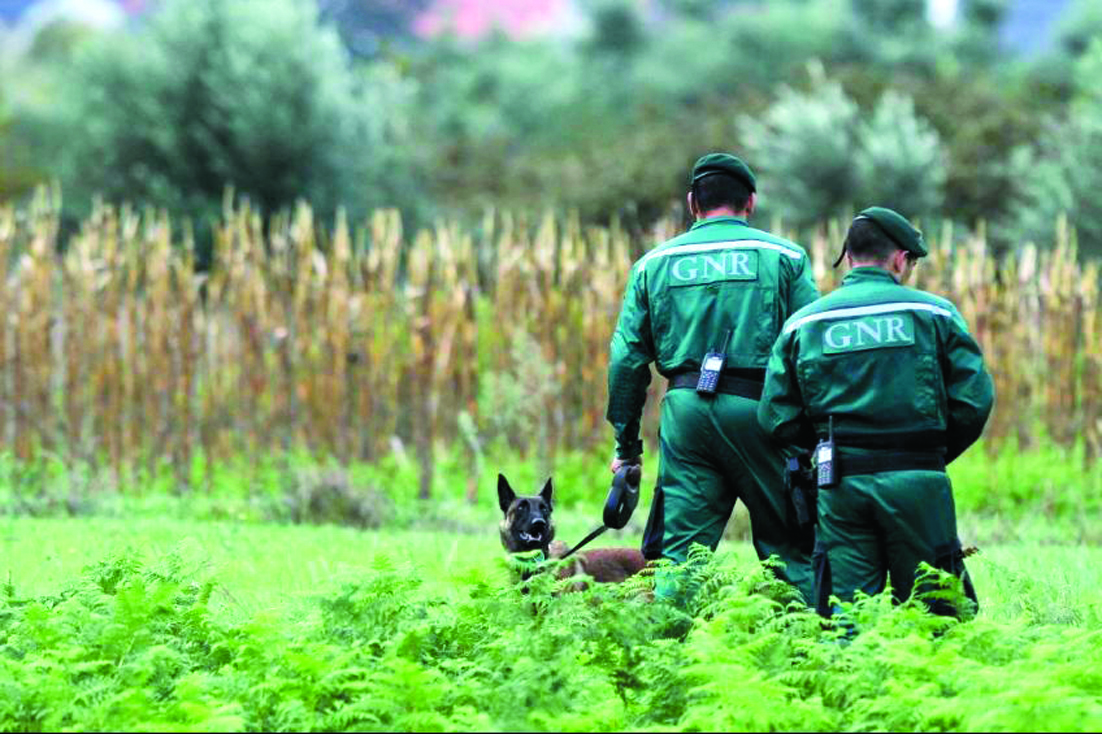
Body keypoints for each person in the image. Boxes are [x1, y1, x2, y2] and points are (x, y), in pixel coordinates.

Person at [757, 206, 995, 619]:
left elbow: (776, 415)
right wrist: (930, 455)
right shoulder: (934, 313)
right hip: (918, 481)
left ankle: (853, 682)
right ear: (900, 259)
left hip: (840, 484)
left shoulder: (803, 323)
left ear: (848, 257)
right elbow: (974, 400)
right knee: (935, 611)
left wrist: (823, 448)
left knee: (847, 616)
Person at [606, 152, 820, 603]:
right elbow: (812, 351)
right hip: (764, 413)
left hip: (686, 416)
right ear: (751, 202)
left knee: (678, 560)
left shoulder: (652, 264)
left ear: (692, 203)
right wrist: (817, 436)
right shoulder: (784, 257)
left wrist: (627, 450)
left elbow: (626, 361)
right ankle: (813, 658)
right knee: (792, 550)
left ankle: (666, 661)